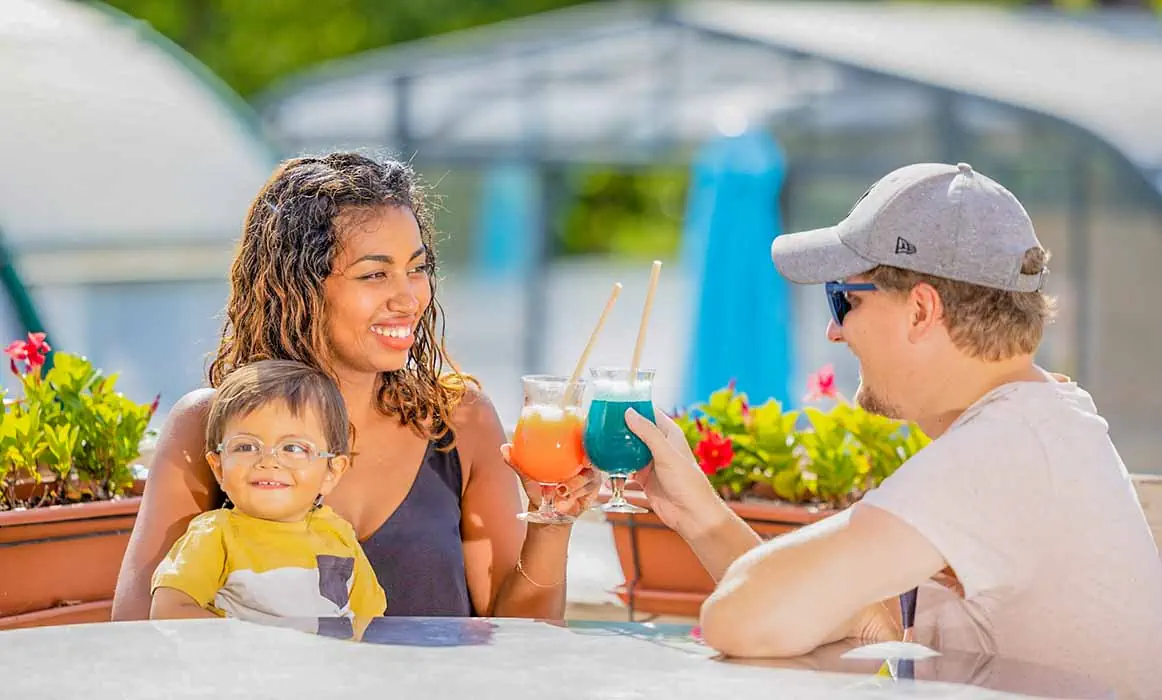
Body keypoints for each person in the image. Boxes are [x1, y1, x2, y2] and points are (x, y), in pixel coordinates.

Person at [622, 163, 1162, 698]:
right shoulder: (1043, 421)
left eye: (845, 299)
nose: (834, 330)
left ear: (921, 310)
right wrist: (697, 511)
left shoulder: (1002, 449)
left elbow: (740, 618)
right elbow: (845, 613)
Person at [114, 152, 600, 621]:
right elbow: (141, 635)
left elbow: (520, 638)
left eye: (418, 268)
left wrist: (551, 524)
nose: (409, 298)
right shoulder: (208, 425)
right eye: (375, 274)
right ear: (299, 285)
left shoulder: (460, 421)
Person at [150, 360, 386, 637]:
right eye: (247, 446)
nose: (268, 461)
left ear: (332, 471)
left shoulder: (339, 537)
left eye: (294, 448)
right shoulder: (215, 536)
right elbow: (169, 610)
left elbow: (370, 622)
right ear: (218, 468)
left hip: (329, 676)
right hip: (246, 675)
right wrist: (248, 645)